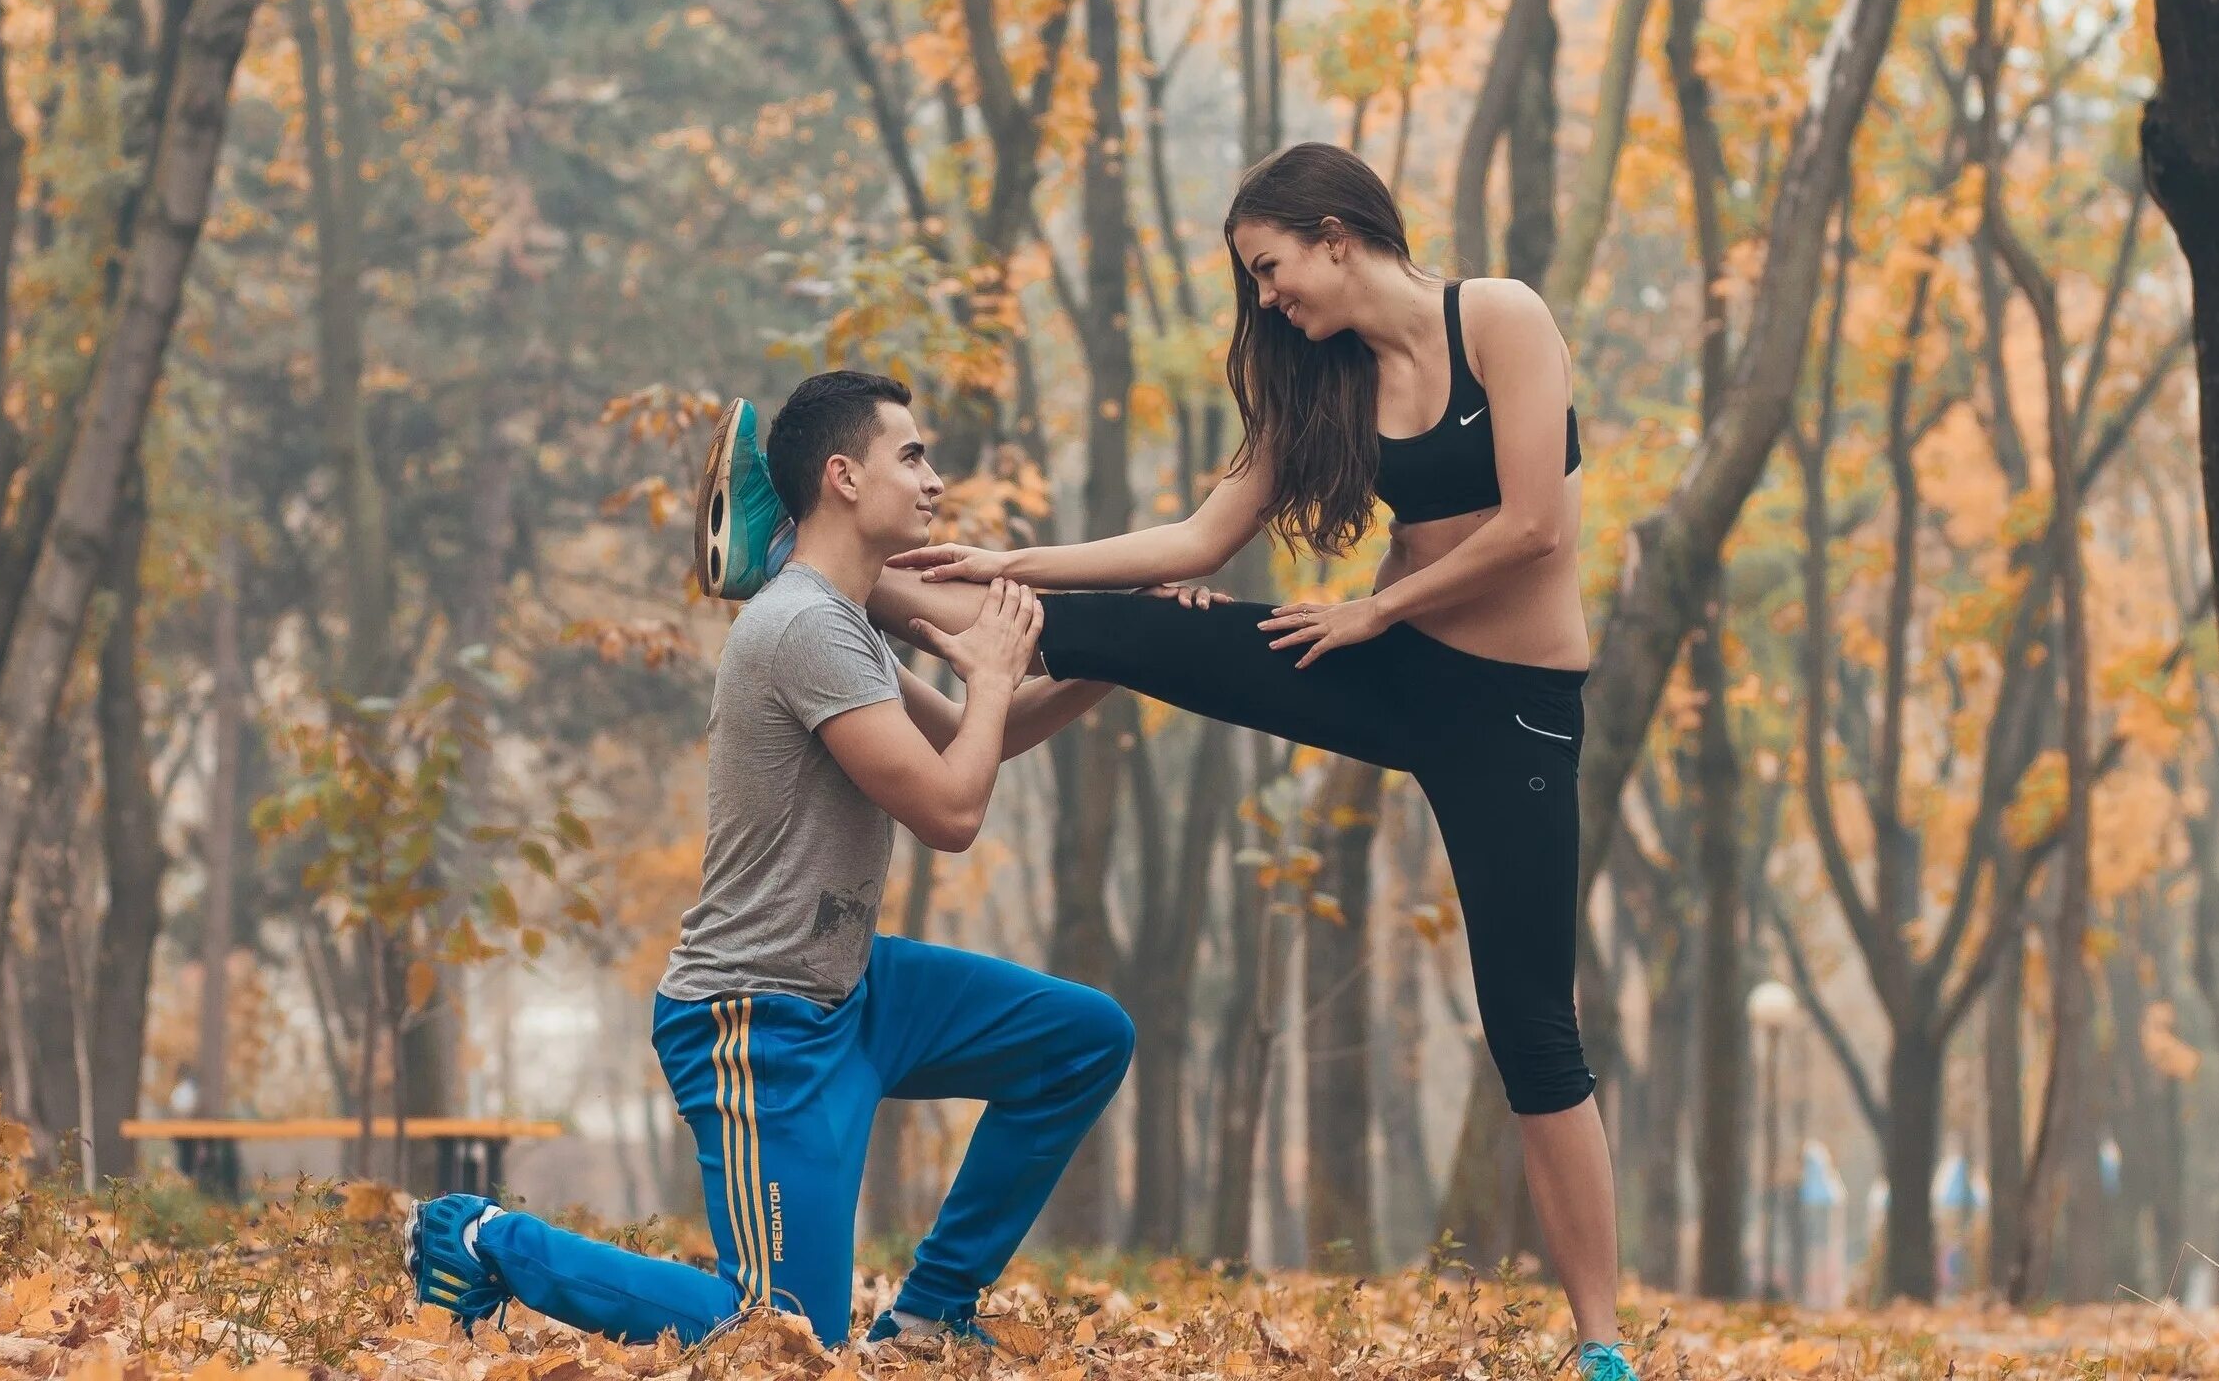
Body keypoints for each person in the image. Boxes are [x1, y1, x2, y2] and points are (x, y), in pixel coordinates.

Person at [705, 142, 1634, 1380]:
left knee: (1531, 1027)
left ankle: (1603, 1346)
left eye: (1270, 267)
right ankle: (815, 567)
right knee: (1145, 627)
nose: (1266, 298)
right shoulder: (1327, 385)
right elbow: (1193, 538)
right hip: (1382, 669)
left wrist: (1370, 614)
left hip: (1510, 709)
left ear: (1336, 235)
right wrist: (1003, 567)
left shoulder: (1500, 320)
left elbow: (1539, 525)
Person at [406, 371, 1133, 1349]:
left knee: (1082, 1038)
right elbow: (951, 811)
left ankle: (929, 1311)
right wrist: (997, 669)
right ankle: (487, 1238)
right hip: (758, 1020)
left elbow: (975, 739)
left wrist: (1127, 654)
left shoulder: (848, 620)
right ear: (841, 476)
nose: (934, 478)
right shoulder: (801, 628)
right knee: (782, 1334)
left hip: (850, 990)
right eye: (910, 456)